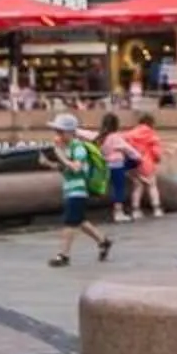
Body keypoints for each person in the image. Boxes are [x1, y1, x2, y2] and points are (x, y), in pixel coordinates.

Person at [46, 113, 114, 266]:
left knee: (69, 223)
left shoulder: (78, 148)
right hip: (70, 190)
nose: (57, 135)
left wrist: (59, 154)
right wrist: (49, 163)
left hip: (78, 191)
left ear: (69, 132)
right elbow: (66, 169)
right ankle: (103, 241)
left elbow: (76, 168)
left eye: (60, 131)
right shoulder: (69, 148)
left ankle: (63, 255)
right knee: (80, 221)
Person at [119, 113, 168, 219]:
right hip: (147, 164)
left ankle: (135, 210)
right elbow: (156, 152)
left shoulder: (130, 134)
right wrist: (158, 159)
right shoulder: (152, 135)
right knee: (152, 186)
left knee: (137, 186)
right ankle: (156, 208)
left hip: (133, 164)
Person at [101, 108, 137, 222]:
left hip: (106, 165)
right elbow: (129, 150)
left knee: (113, 187)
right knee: (119, 188)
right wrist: (138, 157)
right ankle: (118, 212)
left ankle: (116, 211)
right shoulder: (116, 137)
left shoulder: (102, 137)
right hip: (117, 166)